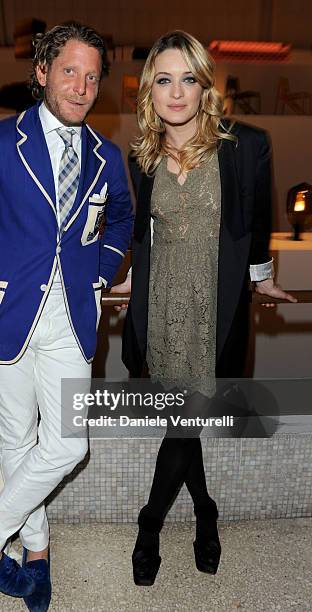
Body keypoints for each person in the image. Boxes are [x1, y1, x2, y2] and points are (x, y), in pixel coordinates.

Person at [0, 22, 133, 610]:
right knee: (18, 439)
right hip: (5, 318)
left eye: (92, 76)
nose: (81, 86)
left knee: (67, 444)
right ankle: (36, 554)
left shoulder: (105, 156)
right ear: (41, 73)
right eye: (69, 70)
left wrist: (104, 270)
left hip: (71, 317)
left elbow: (119, 220)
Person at [111, 30, 296, 586]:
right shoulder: (140, 155)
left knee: (183, 425)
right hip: (163, 301)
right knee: (182, 424)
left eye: (187, 79)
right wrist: (121, 284)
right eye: (163, 80)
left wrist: (260, 278)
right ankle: (205, 513)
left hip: (213, 307)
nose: (175, 92)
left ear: (203, 86)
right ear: (150, 90)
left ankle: (149, 527)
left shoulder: (245, 146)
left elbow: (257, 224)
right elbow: (143, 238)